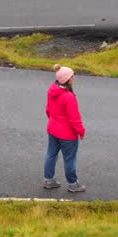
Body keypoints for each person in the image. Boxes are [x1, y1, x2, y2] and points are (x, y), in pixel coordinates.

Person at [43, 64, 86, 192]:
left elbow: (48, 110)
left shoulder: (52, 90)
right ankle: (73, 183)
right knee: (70, 159)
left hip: (53, 129)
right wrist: (81, 131)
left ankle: (49, 180)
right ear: (67, 79)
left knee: (51, 154)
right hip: (67, 135)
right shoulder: (69, 97)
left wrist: (54, 121)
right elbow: (74, 119)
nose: (74, 77)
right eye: (72, 75)